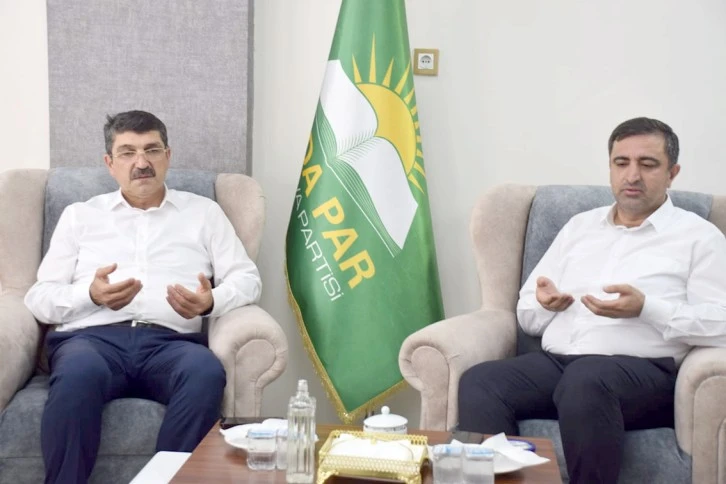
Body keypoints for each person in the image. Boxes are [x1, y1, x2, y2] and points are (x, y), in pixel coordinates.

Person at [457, 117, 726, 484]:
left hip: (644, 375)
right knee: (481, 381)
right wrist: (544, 305)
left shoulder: (699, 237)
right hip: (559, 364)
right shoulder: (579, 227)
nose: (632, 175)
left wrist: (647, 309)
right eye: (621, 163)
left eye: (648, 164)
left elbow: (720, 323)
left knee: (587, 379)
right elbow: (528, 316)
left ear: (672, 173)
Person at [24, 110, 262, 484]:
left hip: (170, 344)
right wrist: (91, 295)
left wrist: (211, 301)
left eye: (152, 150)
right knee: (77, 375)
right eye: (128, 152)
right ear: (110, 163)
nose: (141, 162)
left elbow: (247, 279)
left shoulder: (203, 213)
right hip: (91, 342)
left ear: (168, 155)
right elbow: (40, 298)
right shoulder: (80, 216)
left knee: (204, 372)